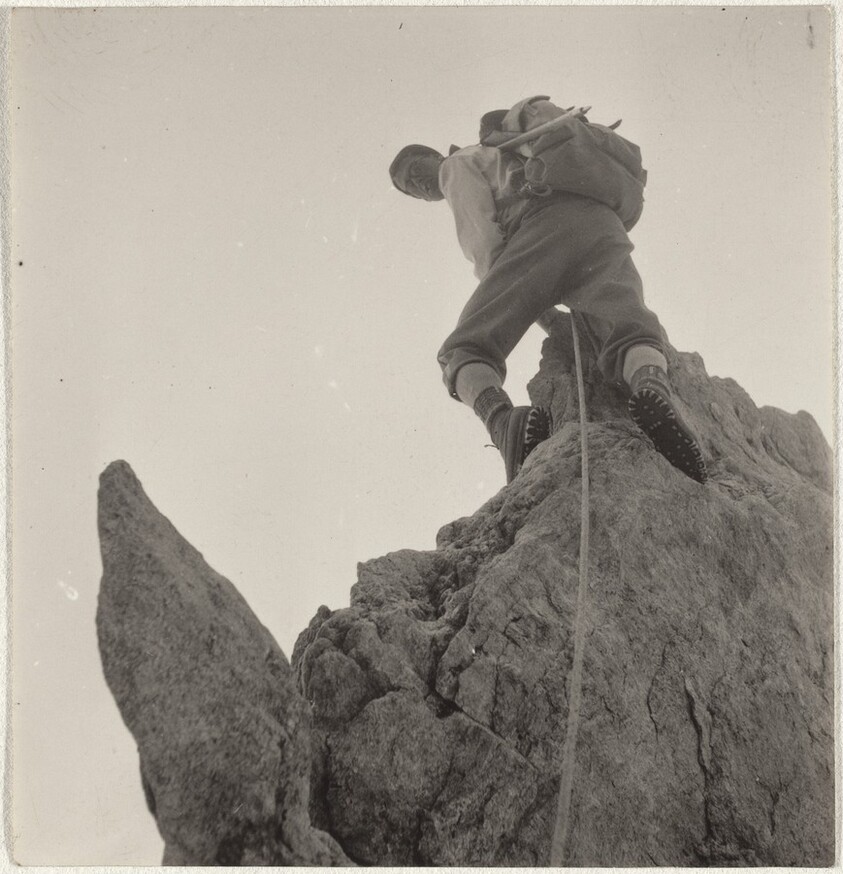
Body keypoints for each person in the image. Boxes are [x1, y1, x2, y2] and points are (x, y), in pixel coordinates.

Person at [388, 98, 707, 485]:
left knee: (462, 350)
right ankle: (651, 387)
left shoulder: (456, 166)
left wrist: (537, 305)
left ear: (433, 156)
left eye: (414, 172)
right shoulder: (508, 147)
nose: (419, 184)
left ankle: (503, 422)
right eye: (411, 187)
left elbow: (486, 247)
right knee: (629, 323)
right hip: (599, 217)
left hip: (541, 227)